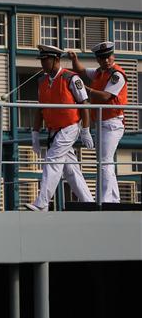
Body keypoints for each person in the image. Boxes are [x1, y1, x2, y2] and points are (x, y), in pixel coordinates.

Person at [25, 44, 94, 211]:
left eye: (45, 60)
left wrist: (85, 130)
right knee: (71, 170)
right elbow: (40, 109)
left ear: (56, 59)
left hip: (70, 126)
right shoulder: (42, 81)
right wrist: (34, 132)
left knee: (52, 159)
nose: (42, 64)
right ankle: (90, 204)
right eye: (41, 60)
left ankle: (42, 203)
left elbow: (84, 104)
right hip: (54, 130)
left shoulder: (71, 78)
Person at [67, 42, 126, 203]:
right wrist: (74, 59)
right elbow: (81, 70)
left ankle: (106, 200)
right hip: (101, 122)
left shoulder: (116, 75)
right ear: (98, 60)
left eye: (108, 56)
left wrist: (87, 90)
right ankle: (113, 199)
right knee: (104, 161)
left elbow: (106, 96)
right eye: (102, 58)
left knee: (105, 162)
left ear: (113, 56)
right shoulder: (100, 72)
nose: (106, 60)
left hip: (112, 123)